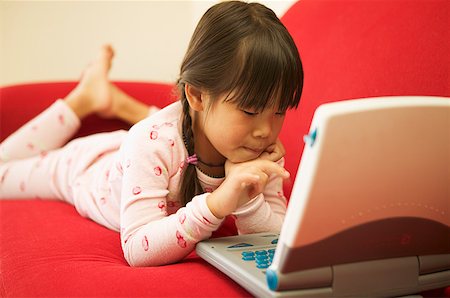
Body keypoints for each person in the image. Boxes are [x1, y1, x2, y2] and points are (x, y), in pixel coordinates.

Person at [0, 1, 303, 267]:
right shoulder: (149, 142)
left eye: (279, 112)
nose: (266, 130)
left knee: (174, 134)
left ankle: (112, 100)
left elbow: (277, 239)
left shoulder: (257, 150)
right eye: (250, 111)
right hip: (86, 168)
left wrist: (249, 198)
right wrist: (215, 205)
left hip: (151, 146)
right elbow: (137, 249)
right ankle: (81, 100)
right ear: (196, 95)